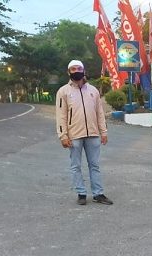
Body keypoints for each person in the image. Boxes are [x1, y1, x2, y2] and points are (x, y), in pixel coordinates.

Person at [55, 60, 112, 206]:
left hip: (92, 133)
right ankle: (81, 192)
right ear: (69, 72)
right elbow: (61, 115)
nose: (76, 71)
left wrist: (103, 132)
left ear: (84, 70)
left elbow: (99, 113)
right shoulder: (63, 92)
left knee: (95, 165)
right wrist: (63, 136)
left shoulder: (93, 91)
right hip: (74, 135)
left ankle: (98, 193)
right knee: (76, 166)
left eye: (79, 68)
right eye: (73, 69)